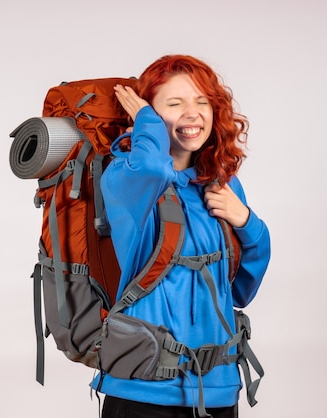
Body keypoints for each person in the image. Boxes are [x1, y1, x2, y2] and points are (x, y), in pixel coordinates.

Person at [95, 55, 271, 418]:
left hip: (218, 391)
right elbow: (151, 166)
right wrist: (144, 121)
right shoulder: (124, 178)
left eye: (202, 101)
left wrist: (248, 222)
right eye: (174, 104)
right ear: (150, 117)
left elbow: (242, 290)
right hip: (143, 392)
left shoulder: (222, 185)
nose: (193, 113)